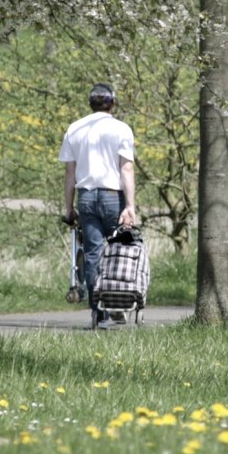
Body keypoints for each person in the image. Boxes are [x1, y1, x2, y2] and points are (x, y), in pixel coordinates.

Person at [60, 82, 137, 329]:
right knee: (119, 250)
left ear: (90, 103)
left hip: (86, 197)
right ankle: (117, 303)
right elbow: (126, 168)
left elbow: (70, 172)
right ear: (113, 103)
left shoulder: (74, 129)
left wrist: (68, 207)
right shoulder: (121, 129)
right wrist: (131, 206)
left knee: (93, 254)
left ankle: (98, 311)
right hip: (113, 196)